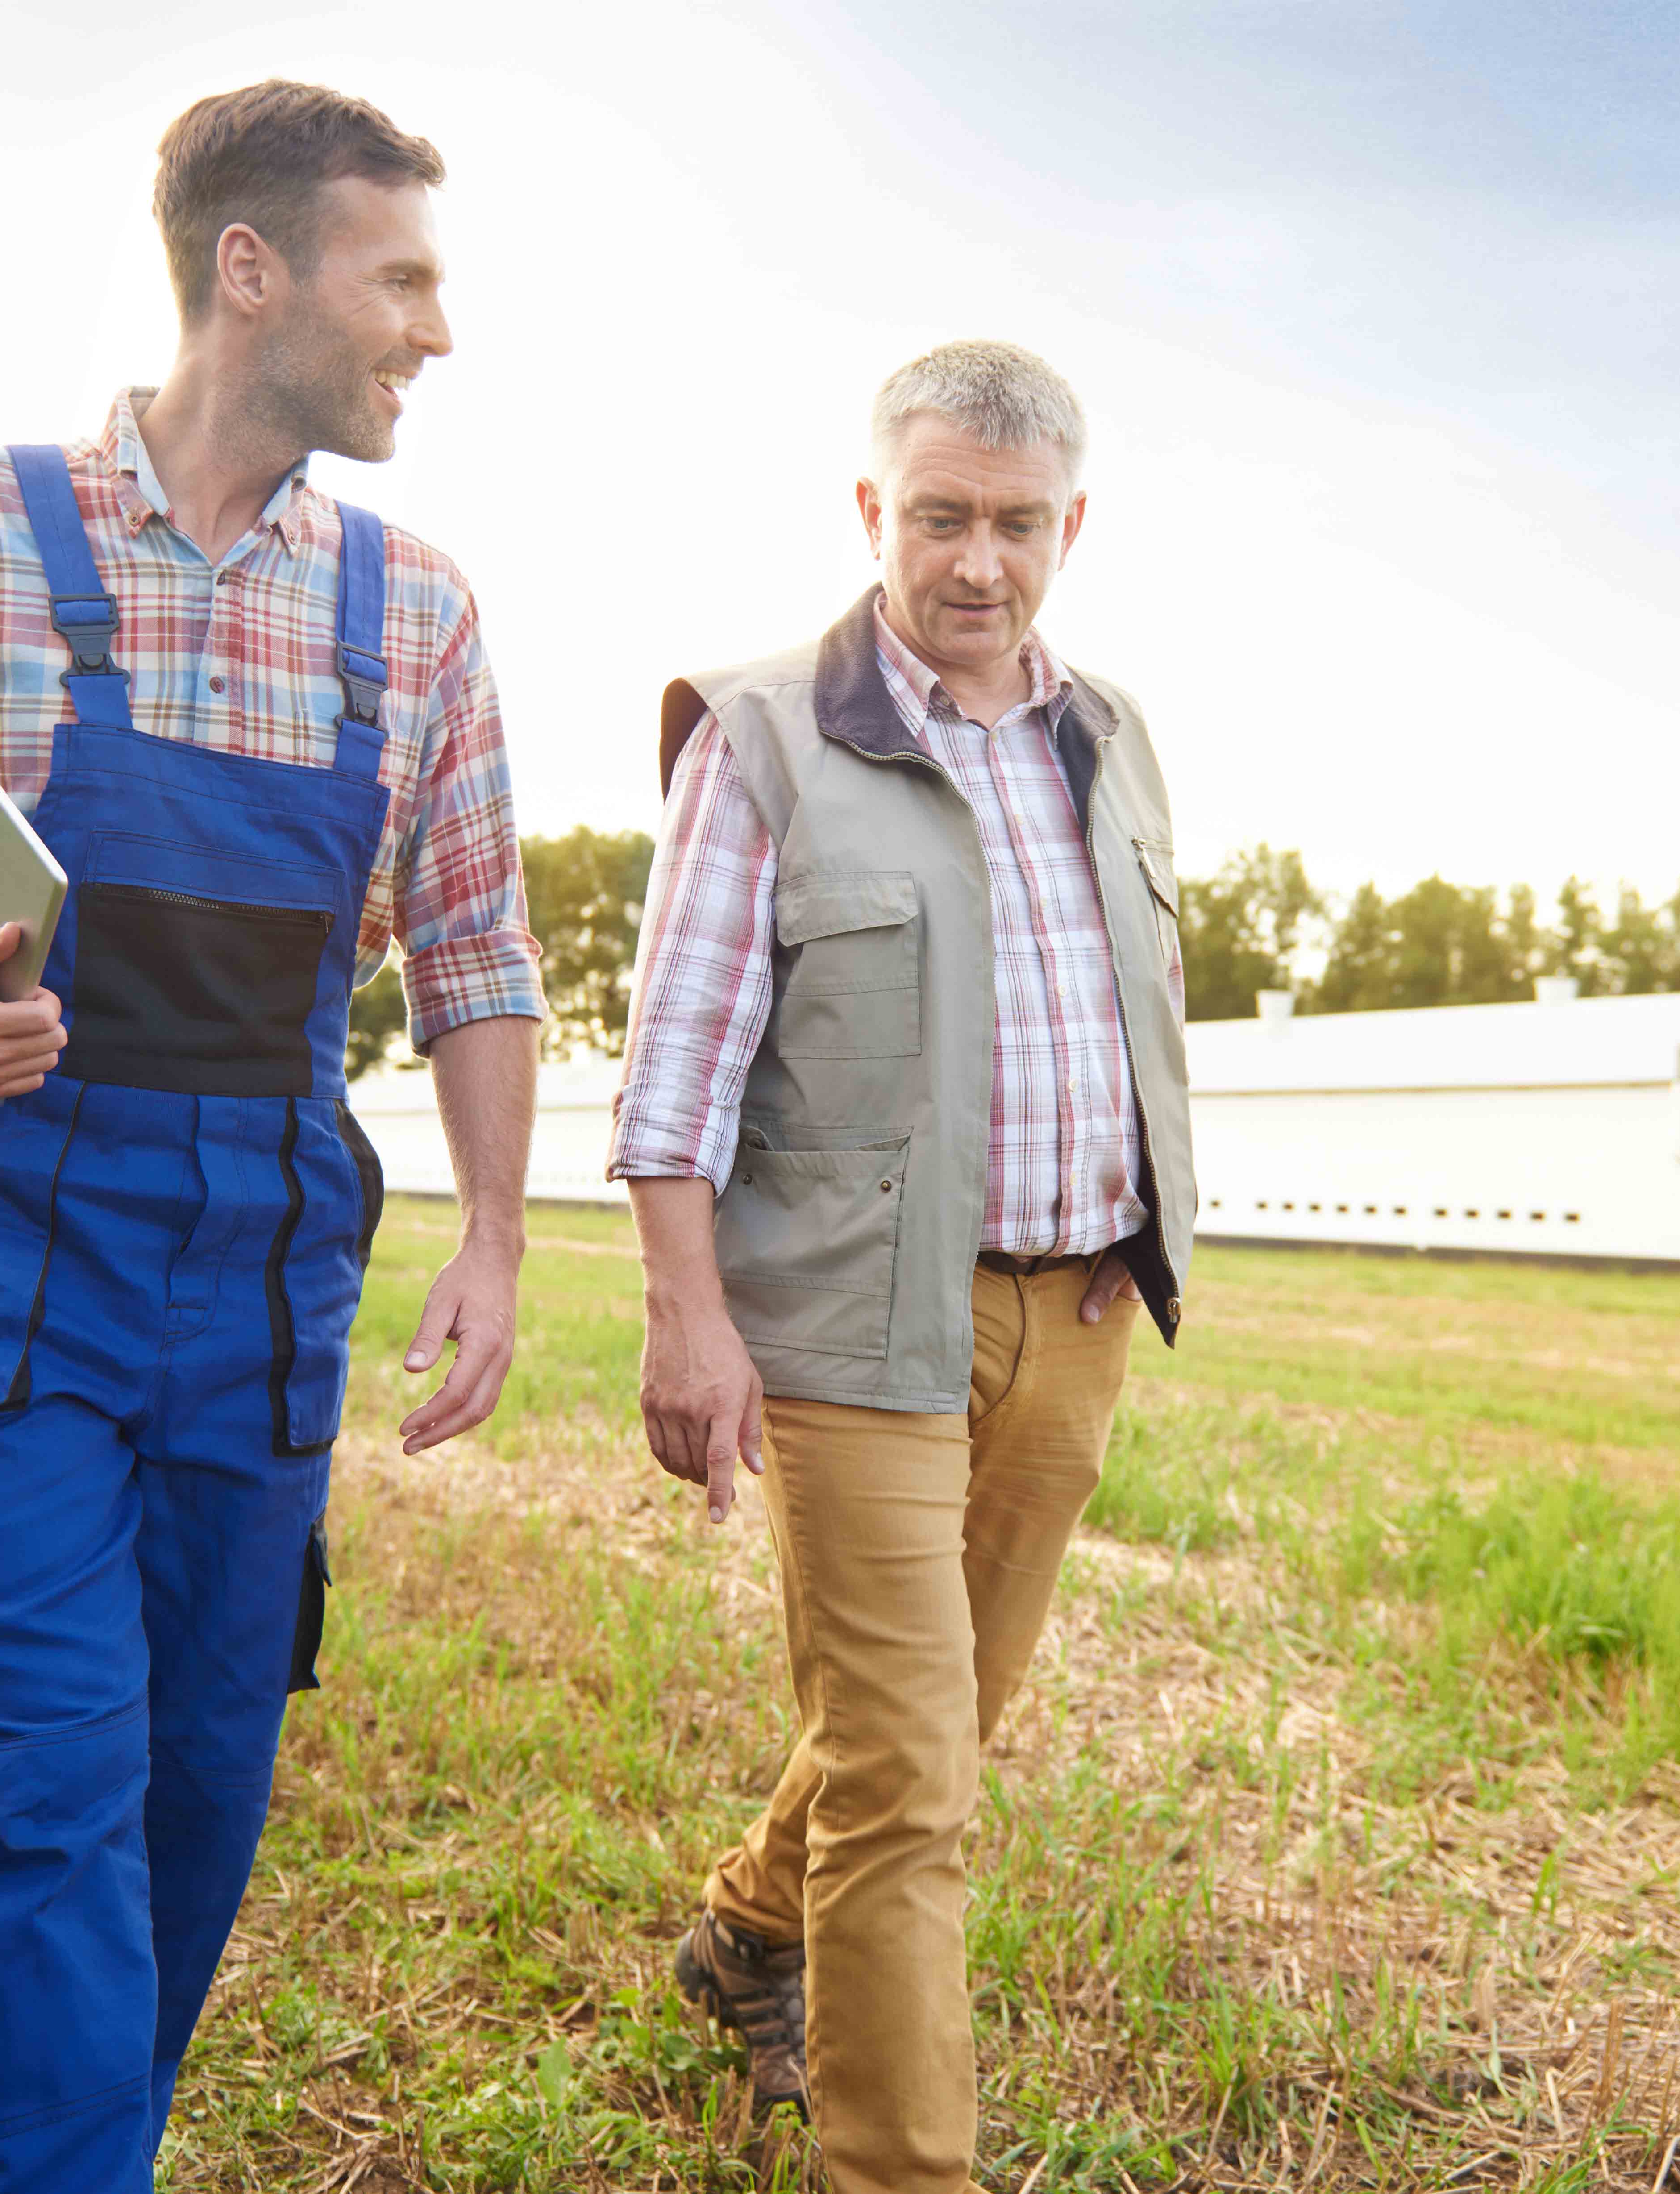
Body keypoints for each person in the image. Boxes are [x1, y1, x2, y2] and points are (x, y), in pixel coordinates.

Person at [0, 80, 541, 2192]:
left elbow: (473, 953)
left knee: (188, 1802)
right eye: (406, 280)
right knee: (37, 1802)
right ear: (249, 273)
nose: (434, 332)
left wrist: (493, 1243)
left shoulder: (417, 615)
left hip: (259, 1273)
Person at [613, 340, 1197, 2192]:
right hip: (858, 1323)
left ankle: (744, 1930)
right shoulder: (765, 730)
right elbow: (679, 1059)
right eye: (938, 515)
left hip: (1072, 1306)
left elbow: (1135, 1014)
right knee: (910, 1781)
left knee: (937, 1723)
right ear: (872, 510)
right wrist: (685, 1314)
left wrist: (1132, 1220)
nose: (976, 562)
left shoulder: (1111, 736)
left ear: (1070, 526)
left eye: (1017, 524)